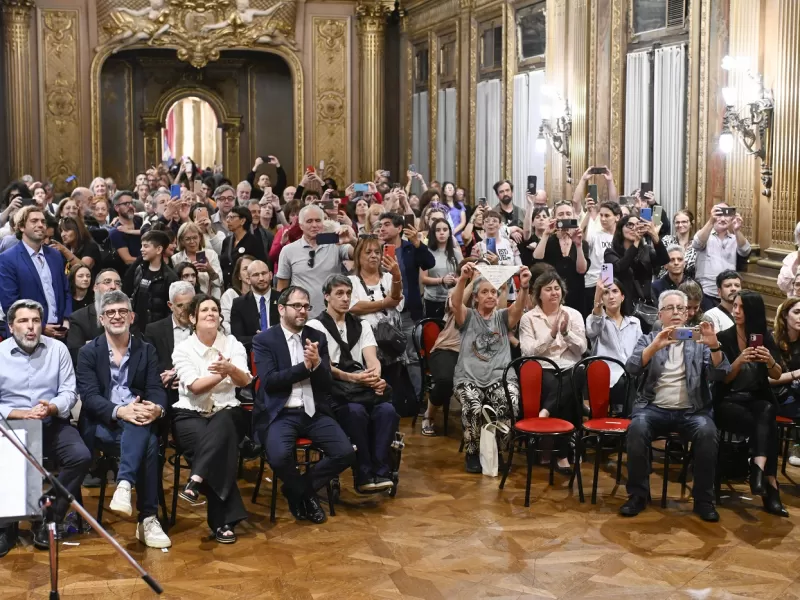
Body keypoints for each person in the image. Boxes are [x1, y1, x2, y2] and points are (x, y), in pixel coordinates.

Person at [620, 290, 730, 521]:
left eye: (681, 308)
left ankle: (703, 500)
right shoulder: (649, 339)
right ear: (660, 314)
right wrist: (655, 347)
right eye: (670, 308)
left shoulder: (699, 341)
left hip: (692, 410)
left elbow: (719, 375)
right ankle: (638, 495)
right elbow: (631, 368)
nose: (677, 312)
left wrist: (715, 346)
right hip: (653, 408)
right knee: (637, 428)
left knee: (708, 431)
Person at [252, 286, 356, 524]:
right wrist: (305, 368)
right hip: (282, 413)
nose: (302, 311)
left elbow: (327, 383)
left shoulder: (316, 336)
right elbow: (269, 382)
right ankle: (306, 494)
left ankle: (295, 490)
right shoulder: (264, 340)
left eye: (306, 306)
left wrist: (319, 364)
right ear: (281, 309)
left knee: (345, 453)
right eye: (296, 306)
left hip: (313, 410)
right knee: (278, 458)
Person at [76, 291, 170, 548]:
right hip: (103, 422)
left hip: (138, 417)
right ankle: (148, 519)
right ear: (102, 319)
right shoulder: (88, 352)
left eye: (122, 311)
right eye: (110, 313)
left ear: (131, 316)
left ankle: (125, 484)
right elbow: (90, 397)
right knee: (147, 440)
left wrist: (157, 409)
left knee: (146, 435)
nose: (117, 316)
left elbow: (155, 389)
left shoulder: (146, 349)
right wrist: (120, 411)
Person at [0, 300, 91, 555]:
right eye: (23, 321)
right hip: (11, 424)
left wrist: (50, 407)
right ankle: (6, 526)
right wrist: (18, 413)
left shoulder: (58, 349)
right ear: (10, 326)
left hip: (51, 420)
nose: (30, 327)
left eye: (35, 321)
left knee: (80, 456)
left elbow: (69, 391)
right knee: (12, 453)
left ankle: (49, 514)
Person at [171, 294, 252, 542]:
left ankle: (196, 479)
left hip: (228, 411)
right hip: (190, 413)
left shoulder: (233, 344)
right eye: (204, 310)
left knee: (225, 422)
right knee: (219, 449)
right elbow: (195, 387)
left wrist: (232, 371)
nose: (211, 313)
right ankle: (224, 522)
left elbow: (245, 380)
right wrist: (224, 373)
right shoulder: (183, 349)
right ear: (193, 318)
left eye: (215, 309)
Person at [307, 275, 398, 493]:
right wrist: (353, 378)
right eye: (339, 293)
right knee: (355, 412)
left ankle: (380, 470)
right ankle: (363, 473)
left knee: (387, 411)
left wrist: (375, 377)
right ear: (326, 296)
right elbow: (322, 366)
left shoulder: (361, 324)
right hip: (333, 390)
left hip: (361, 385)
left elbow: (372, 359)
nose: (345, 298)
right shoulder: (315, 326)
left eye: (348, 293)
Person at [452, 262, 531, 473]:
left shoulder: (503, 317)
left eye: (493, 292)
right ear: (476, 297)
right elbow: (455, 303)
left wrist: (523, 287)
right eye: (484, 292)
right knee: (473, 406)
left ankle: (500, 451)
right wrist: (462, 280)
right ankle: (472, 451)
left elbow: (519, 308)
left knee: (510, 401)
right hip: (468, 377)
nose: (490, 295)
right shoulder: (467, 316)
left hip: (499, 377)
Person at [715, 291, 787, 516]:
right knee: (767, 428)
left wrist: (769, 360)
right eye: (734, 306)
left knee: (766, 409)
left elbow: (776, 375)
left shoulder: (763, 337)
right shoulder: (724, 337)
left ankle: (757, 470)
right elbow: (723, 379)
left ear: (752, 311)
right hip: (728, 401)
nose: (735, 311)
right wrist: (739, 360)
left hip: (755, 399)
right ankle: (769, 485)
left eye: (741, 308)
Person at [519, 270, 587, 472]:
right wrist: (551, 334)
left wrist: (566, 333)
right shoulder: (529, 318)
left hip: (570, 368)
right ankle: (564, 454)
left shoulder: (573, 314)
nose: (554, 293)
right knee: (561, 389)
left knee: (578, 372)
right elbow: (528, 351)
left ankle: (546, 414)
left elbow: (582, 349)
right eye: (548, 289)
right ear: (539, 294)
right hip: (543, 368)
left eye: (557, 288)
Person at [377, 212, 436, 399]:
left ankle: (417, 398)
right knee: (385, 357)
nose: (382, 228)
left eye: (387, 224)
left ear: (399, 228)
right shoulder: (376, 250)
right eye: (381, 225)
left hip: (409, 312)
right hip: (384, 311)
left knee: (412, 357)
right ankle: (389, 398)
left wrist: (419, 244)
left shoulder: (412, 248)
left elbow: (429, 262)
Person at [0, 206, 71, 339]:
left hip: (60, 332)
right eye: (34, 221)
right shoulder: (7, 259)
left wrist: (66, 320)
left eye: (43, 221)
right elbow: (10, 304)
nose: (40, 225)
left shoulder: (55, 255)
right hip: (28, 335)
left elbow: (66, 290)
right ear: (21, 227)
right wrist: (42, 327)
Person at [276, 204, 355, 320]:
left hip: (332, 317)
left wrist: (352, 240)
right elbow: (282, 289)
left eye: (318, 221)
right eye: (309, 221)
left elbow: (361, 255)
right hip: (301, 318)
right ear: (301, 225)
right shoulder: (288, 250)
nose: (314, 225)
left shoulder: (336, 244)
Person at [586, 278, 642, 414]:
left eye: (615, 291)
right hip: (607, 377)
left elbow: (640, 350)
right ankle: (631, 424)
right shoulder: (596, 320)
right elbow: (593, 328)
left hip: (632, 375)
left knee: (639, 380)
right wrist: (596, 300)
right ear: (602, 298)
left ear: (622, 297)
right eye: (606, 293)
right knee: (629, 383)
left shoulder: (634, 323)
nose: (611, 296)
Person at [603, 214, 668, 316]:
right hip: (623, 306)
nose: (634, 228)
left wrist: (654, 235)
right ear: (621, 229)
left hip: (646, 307)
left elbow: (664, 260)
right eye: (630, 225)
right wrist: (636, 241)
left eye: (638, 225)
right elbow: (621, 267)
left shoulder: (646, 250)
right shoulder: (610, 253)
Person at [144, 281, 195, 406]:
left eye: (189, 305)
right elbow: (152, 364)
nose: (185, 310)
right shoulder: (154, 330)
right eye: (180, 305)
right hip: (168, 391)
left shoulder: (203, 327)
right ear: (170, 305)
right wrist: (170, 378)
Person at [533, 202, 589, 313]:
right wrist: (545, 234)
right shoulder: (548, 241)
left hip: (576, 296)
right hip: (552, 295)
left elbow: (582, 270)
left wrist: (578, 245)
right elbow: (536, 260)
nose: (565, 217)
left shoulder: (582, 243)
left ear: (574, 217)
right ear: (554, 218)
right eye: (561, 214)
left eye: (568, 214)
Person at [692, 202, 750, 310]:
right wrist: (711, 221)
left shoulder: (735, 238)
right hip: (706, 293)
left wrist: (737, 230)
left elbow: (745, 251)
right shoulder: (705, 234)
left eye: (726, 215)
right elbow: (696, 244)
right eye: (719, 215)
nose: (722, 219)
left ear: (732, 218)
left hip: (728, 295)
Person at [123, 230, 179, 330]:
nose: (141, 249)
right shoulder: (139, 269)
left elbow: (171, 309)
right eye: (141, 246)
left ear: (158, 250)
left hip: (158, 330)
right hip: (137, 327)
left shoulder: (170, 277)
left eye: (146, 246)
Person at [66, 268, 123, 364]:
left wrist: (91, 345)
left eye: (117, 283)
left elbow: (136, 350)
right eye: (107, 282)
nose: (113, 286)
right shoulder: (79, 318)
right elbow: (77, 355)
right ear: (95, 287)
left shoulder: (130, 316)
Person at [230, 260, 279, 352]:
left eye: (264, 273)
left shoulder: (282, 300)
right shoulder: (239, 304)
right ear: (248, 279)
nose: (261, 278)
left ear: (271, 275)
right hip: (253, 352)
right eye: (256, 275)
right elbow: (238, 338)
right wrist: (260, 338)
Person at [582, 201, 620, 316]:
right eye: (601, 215)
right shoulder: (595, 235)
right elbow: (581, 238)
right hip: (593, 283)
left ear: (617, 217)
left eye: (607, 215)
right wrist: (588, 214)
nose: (603, 219)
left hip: (614, 284)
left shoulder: (621, 237)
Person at [422, 219, 463, 319]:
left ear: (449, 233)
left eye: (445, 230)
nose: (441, 233)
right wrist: (442, 280)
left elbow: (463, 277)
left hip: (452, 300)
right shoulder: (426, 253)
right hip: (432, 300)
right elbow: (423, 279)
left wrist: (454, 280)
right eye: (438, 230)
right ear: (433, 233)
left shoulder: (456, 253)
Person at [172, 222, 223, 298]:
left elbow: (219, 283)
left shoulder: (211, 254)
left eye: (195, 237)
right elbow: (175, 286)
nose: (192, 242)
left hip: (210, 298)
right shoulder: (176, 258)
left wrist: (210, 270)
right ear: (182, 241)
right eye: (188, 239)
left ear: (200, 237)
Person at [220, 206, 267, 287]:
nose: (227, 220)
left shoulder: (254, 242)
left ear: (242, 221)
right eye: (227, 217)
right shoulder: (227, 241)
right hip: (227, 286)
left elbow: (262, 264)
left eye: (232, 217)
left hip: (246, 287)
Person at [107, 191, 144, 269]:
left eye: (131, 203)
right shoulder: (116, 232)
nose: (130, 206)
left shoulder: (140, 221)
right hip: (131, 273)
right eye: (126, 204)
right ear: (117, 208)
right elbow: (128, 260)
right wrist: (151, 259)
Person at [659, 210, 697, 280]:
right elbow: (660, 262)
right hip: (666, 283)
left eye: (684, 222)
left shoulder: (696, 245)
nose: (680, 225)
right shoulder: (667, 240)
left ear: (691, 223)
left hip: (689, 284)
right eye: (677, 222)